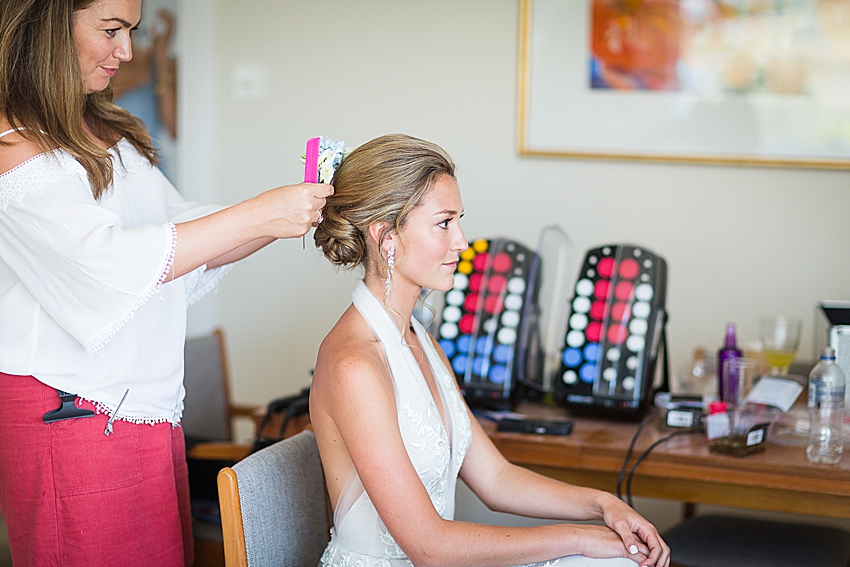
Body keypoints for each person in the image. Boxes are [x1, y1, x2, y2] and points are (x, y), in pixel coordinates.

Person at [0, 1, 332, 566]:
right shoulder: (13, 144)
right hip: (73, 416)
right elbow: (108, 263)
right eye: (111, 31)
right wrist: (261, 214)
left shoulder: (103, 128)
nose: (127, 52)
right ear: (47, 26)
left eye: (133, 31)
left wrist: (297, 211)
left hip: (140, 410)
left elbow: (185, 241)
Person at [311, 134, 670, 567]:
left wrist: (602, 504)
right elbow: (429, 547)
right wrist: (579, 538)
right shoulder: (354, 365)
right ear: (387, 236)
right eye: (444, 223)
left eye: (458, 221)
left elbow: (496, 479)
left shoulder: (421, 342)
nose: (462, 242)